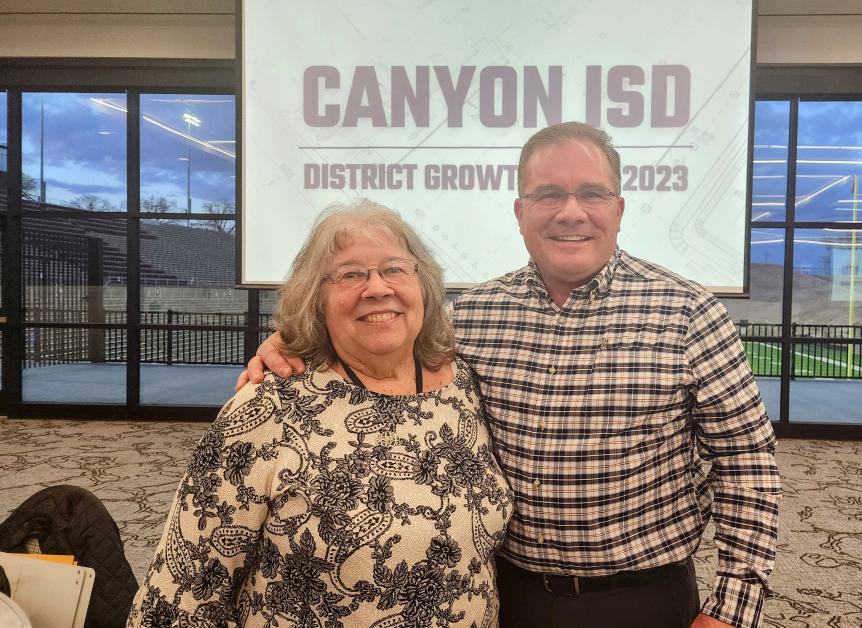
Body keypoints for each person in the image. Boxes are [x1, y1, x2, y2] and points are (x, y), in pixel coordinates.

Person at [241, 122, 781, 628]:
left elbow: (746, 461)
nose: (571, 212)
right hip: (507, 597)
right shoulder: (470, 315)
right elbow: (379, 341)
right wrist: (292, 344)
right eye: (548, 194)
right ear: (520, 212)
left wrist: (734, 609)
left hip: (643, 599)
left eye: (591, 194)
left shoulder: (689, 312)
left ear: (618, 209)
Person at [129, 201, 514, 627]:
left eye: (394, 269)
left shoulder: (460, 385)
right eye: (351, 274)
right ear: (317, 299)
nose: (377, 288)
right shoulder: (269, 406)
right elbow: (181, 590)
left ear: (422, 284)